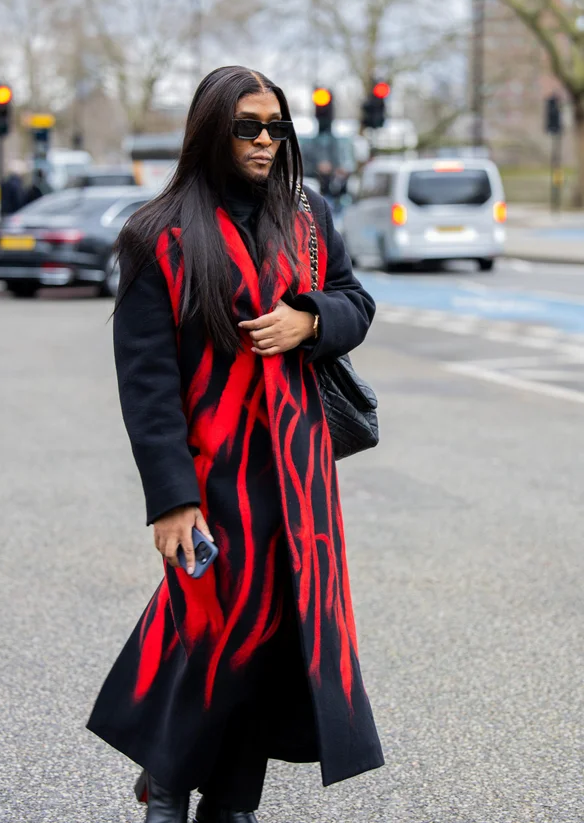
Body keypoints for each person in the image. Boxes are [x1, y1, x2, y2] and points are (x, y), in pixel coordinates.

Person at [87, 66, 383, 823]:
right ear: (211, 131)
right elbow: (145, 380)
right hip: (209, 475)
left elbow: (357, 301)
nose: (263, 140)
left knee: (273, 633)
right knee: (207, 628)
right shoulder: (157, 233)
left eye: (274, 127)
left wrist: (310, 320)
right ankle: (166, 781)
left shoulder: (306, 217)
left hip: (296, 477)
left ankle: (231, 799)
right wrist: (171, 498)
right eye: (247, 126)